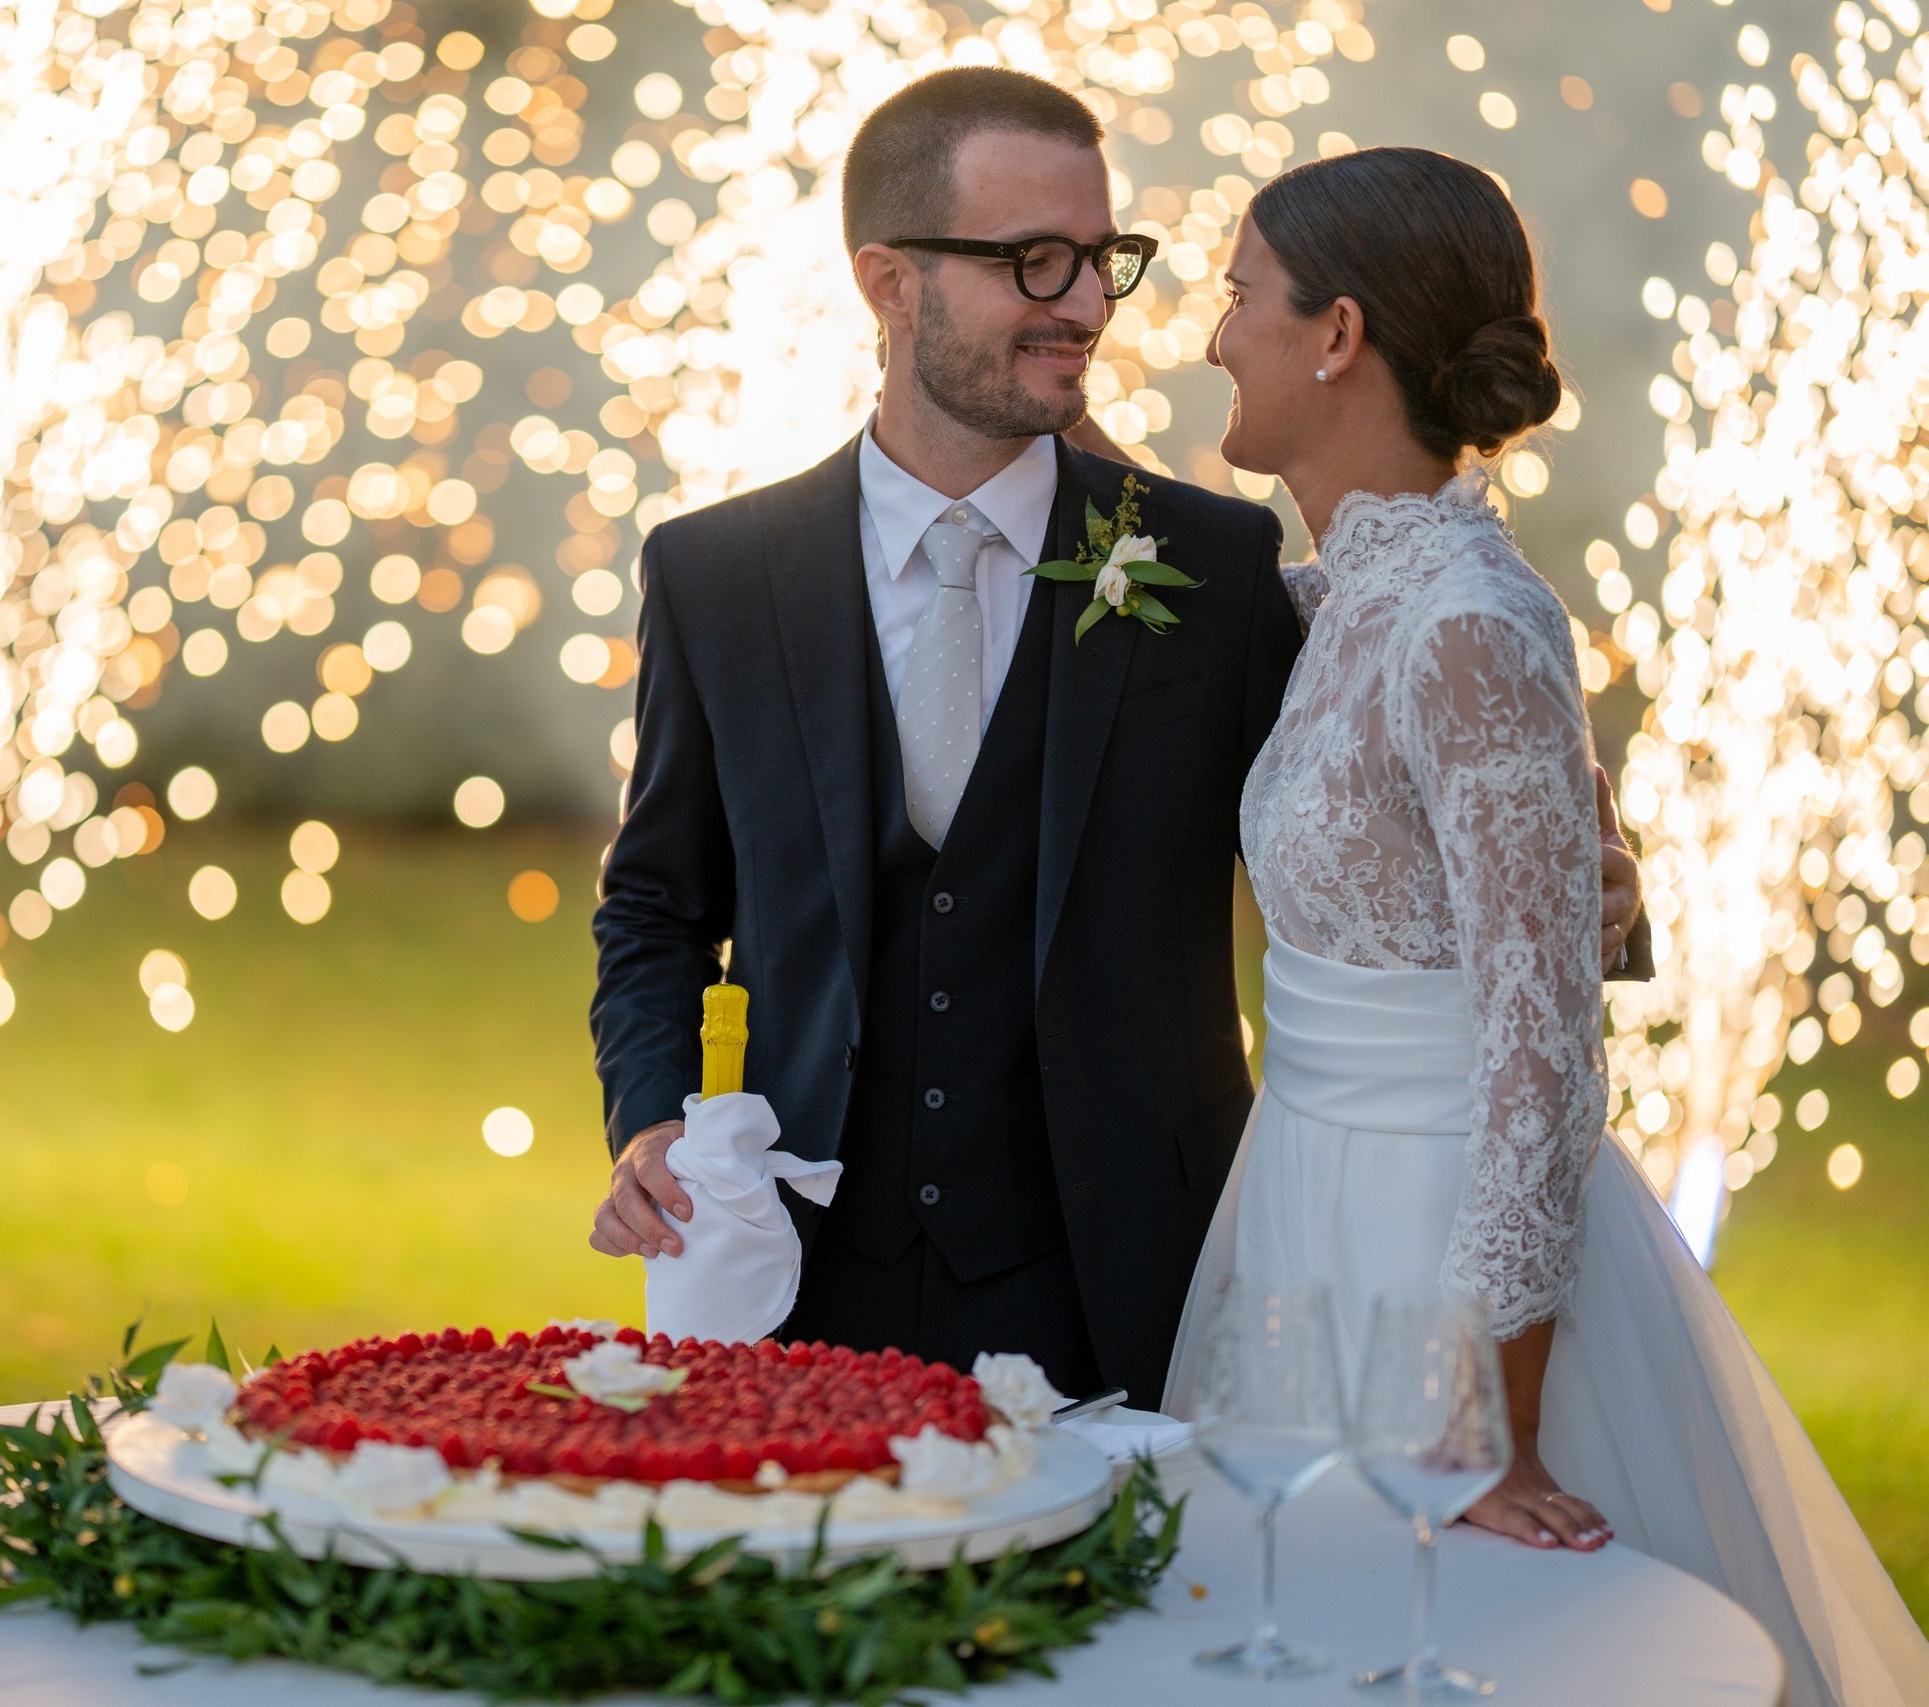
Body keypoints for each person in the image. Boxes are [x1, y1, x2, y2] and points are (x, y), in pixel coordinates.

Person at [584, 67, 1642, 1412]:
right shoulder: (715, 575)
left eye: (1101, 261)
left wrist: (1603, 893)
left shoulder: (1215, 566)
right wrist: (659, 1118)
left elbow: (1406, 782)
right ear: (888, 284)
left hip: (1139, 1297)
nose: (1085, 306)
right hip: (795, 1287)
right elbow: (658, 905)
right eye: (1034, 264)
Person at [1166, 143, 1929, 1706]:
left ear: (1338, 335)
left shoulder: (1471, 624)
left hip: (1438, 1255)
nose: (1209, 333)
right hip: (1301, 1205)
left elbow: (1541, 1051)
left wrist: (1490, 1426)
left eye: (1238, 295)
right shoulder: (1351, 594)